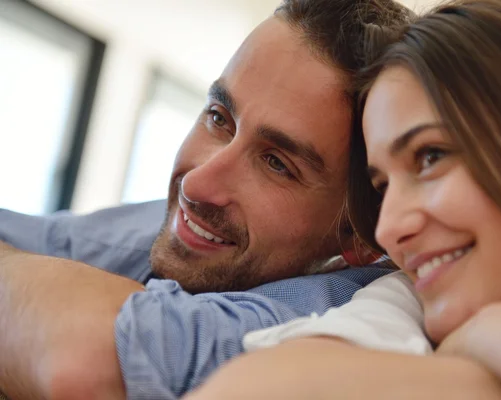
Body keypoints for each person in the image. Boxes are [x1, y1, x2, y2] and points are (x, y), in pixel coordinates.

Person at [0, 1, 413, 399]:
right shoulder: (183, 233)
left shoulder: (342, 319)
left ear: (358, 237)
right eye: (219, 118)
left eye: (276, 163)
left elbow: (81, 361)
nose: (197, 185)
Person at [187, 0, 501, 399]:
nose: (388, 230)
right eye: (383, 187)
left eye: (430, 157)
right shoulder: (409, 296)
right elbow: (265, 387)